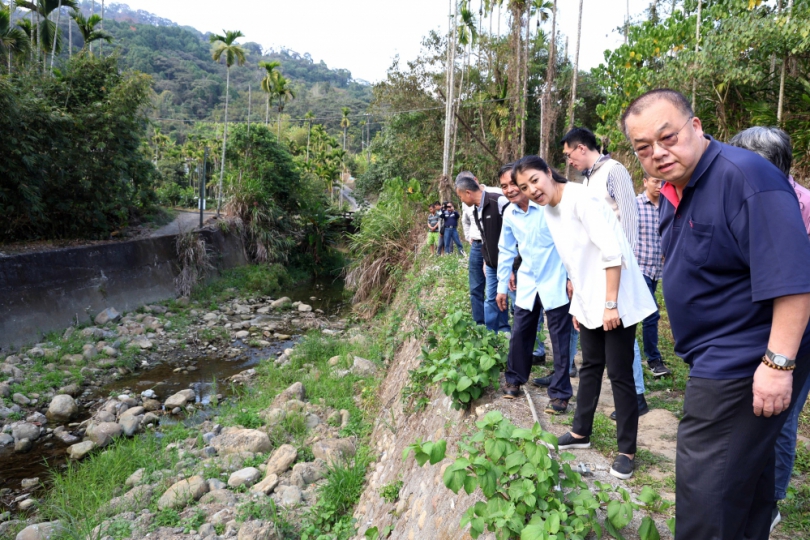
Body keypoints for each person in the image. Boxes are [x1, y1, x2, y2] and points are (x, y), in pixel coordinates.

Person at [622, 89, 810, 540]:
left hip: (744, 361)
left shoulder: (747, 179)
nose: (658, 153)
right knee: (746, 482)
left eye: (667, 137)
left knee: (705, 490)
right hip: (717, 354)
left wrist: (777, 365)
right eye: (643, 148)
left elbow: (795, 283)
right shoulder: (677, 189)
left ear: (697, 126)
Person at [513, 155, 656, 480]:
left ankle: (626, 451)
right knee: (590, 365)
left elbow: (612, 252)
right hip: (590, 296)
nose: (531, 189)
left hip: (614, 295)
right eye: (524, 187)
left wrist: (609, 305)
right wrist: (579, 305)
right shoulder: (549, 209)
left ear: (549, 173)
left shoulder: (581, 198)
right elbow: (572, 261)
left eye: (535, 180)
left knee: (619, 373)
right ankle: (580, 432)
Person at [728, 126, 810, 531]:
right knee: (750, 412)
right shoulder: (743, 196)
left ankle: (770, 499)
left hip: (795, 332)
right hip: (751, 325)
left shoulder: (799, 205)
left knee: (782, 415)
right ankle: (748, 491)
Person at [561, 127, 648, 416]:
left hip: (619, 269)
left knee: (622, 333)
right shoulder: (587, 181)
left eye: (569, 153)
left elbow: (629, 218)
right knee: (606, 339)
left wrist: (626, 269)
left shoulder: (615, 171)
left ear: (581, 148)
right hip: (600, 271)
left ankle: (635, 395)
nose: (569, 161)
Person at [494, 162, 573, 414]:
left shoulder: (548, 208)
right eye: (504, 186)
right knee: (521, 332)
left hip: (555, 280)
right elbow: (506, 250)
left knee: (559, 339)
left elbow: (569, 244)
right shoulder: (509, 213)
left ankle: (560, 394)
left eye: (513, 184)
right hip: (528, 282)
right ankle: (515, 378)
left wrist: (572, 277)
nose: (509, 190)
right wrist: (501, 286)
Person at [456, 173, 510, 333]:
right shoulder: (473, 208)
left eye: (460, 196)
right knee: (478, 289)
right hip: (480, 247)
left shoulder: (497, 198)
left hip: (501, 251)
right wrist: (469, 237)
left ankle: (503, 328)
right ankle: (483, 329)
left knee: (503, 290)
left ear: (469, 189)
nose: (460, 200)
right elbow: (466, 223)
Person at [634, 175, 671, 378]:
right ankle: (654, 360)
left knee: (647, 314)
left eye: (663, 182)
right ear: (645, 181)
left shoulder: (669, 205)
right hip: (640, 267)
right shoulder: (635, 205)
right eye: (655, 181)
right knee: (651, 313)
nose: (660, 185)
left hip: (659, 268)